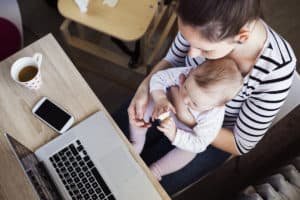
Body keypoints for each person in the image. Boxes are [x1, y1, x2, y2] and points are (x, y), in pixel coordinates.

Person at [114, 0, 297, 195]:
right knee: (110, 145)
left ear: (242, 37)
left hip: (210, 137)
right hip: (168, 96)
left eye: (205, 50)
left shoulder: (277, 69)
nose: (192, 53)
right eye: (187, 39)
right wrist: (145, 88)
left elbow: (240, 144)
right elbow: (173, 60)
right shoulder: (201, 15)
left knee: (137, 188)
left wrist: (189, 120)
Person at [130, 58, 243, 181]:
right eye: (185, 89)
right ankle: (137, 142)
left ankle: (157, 170)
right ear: (190, 73)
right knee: (143, 107)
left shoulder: (214, 116)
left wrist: (175, 135)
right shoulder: (186, 73)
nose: (184, 100)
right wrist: (160, 98)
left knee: (189, 152)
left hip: (187, 131)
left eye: (194, 103)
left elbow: (199, 143)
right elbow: (159, 78)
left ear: (216, 106)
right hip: (165, 106)